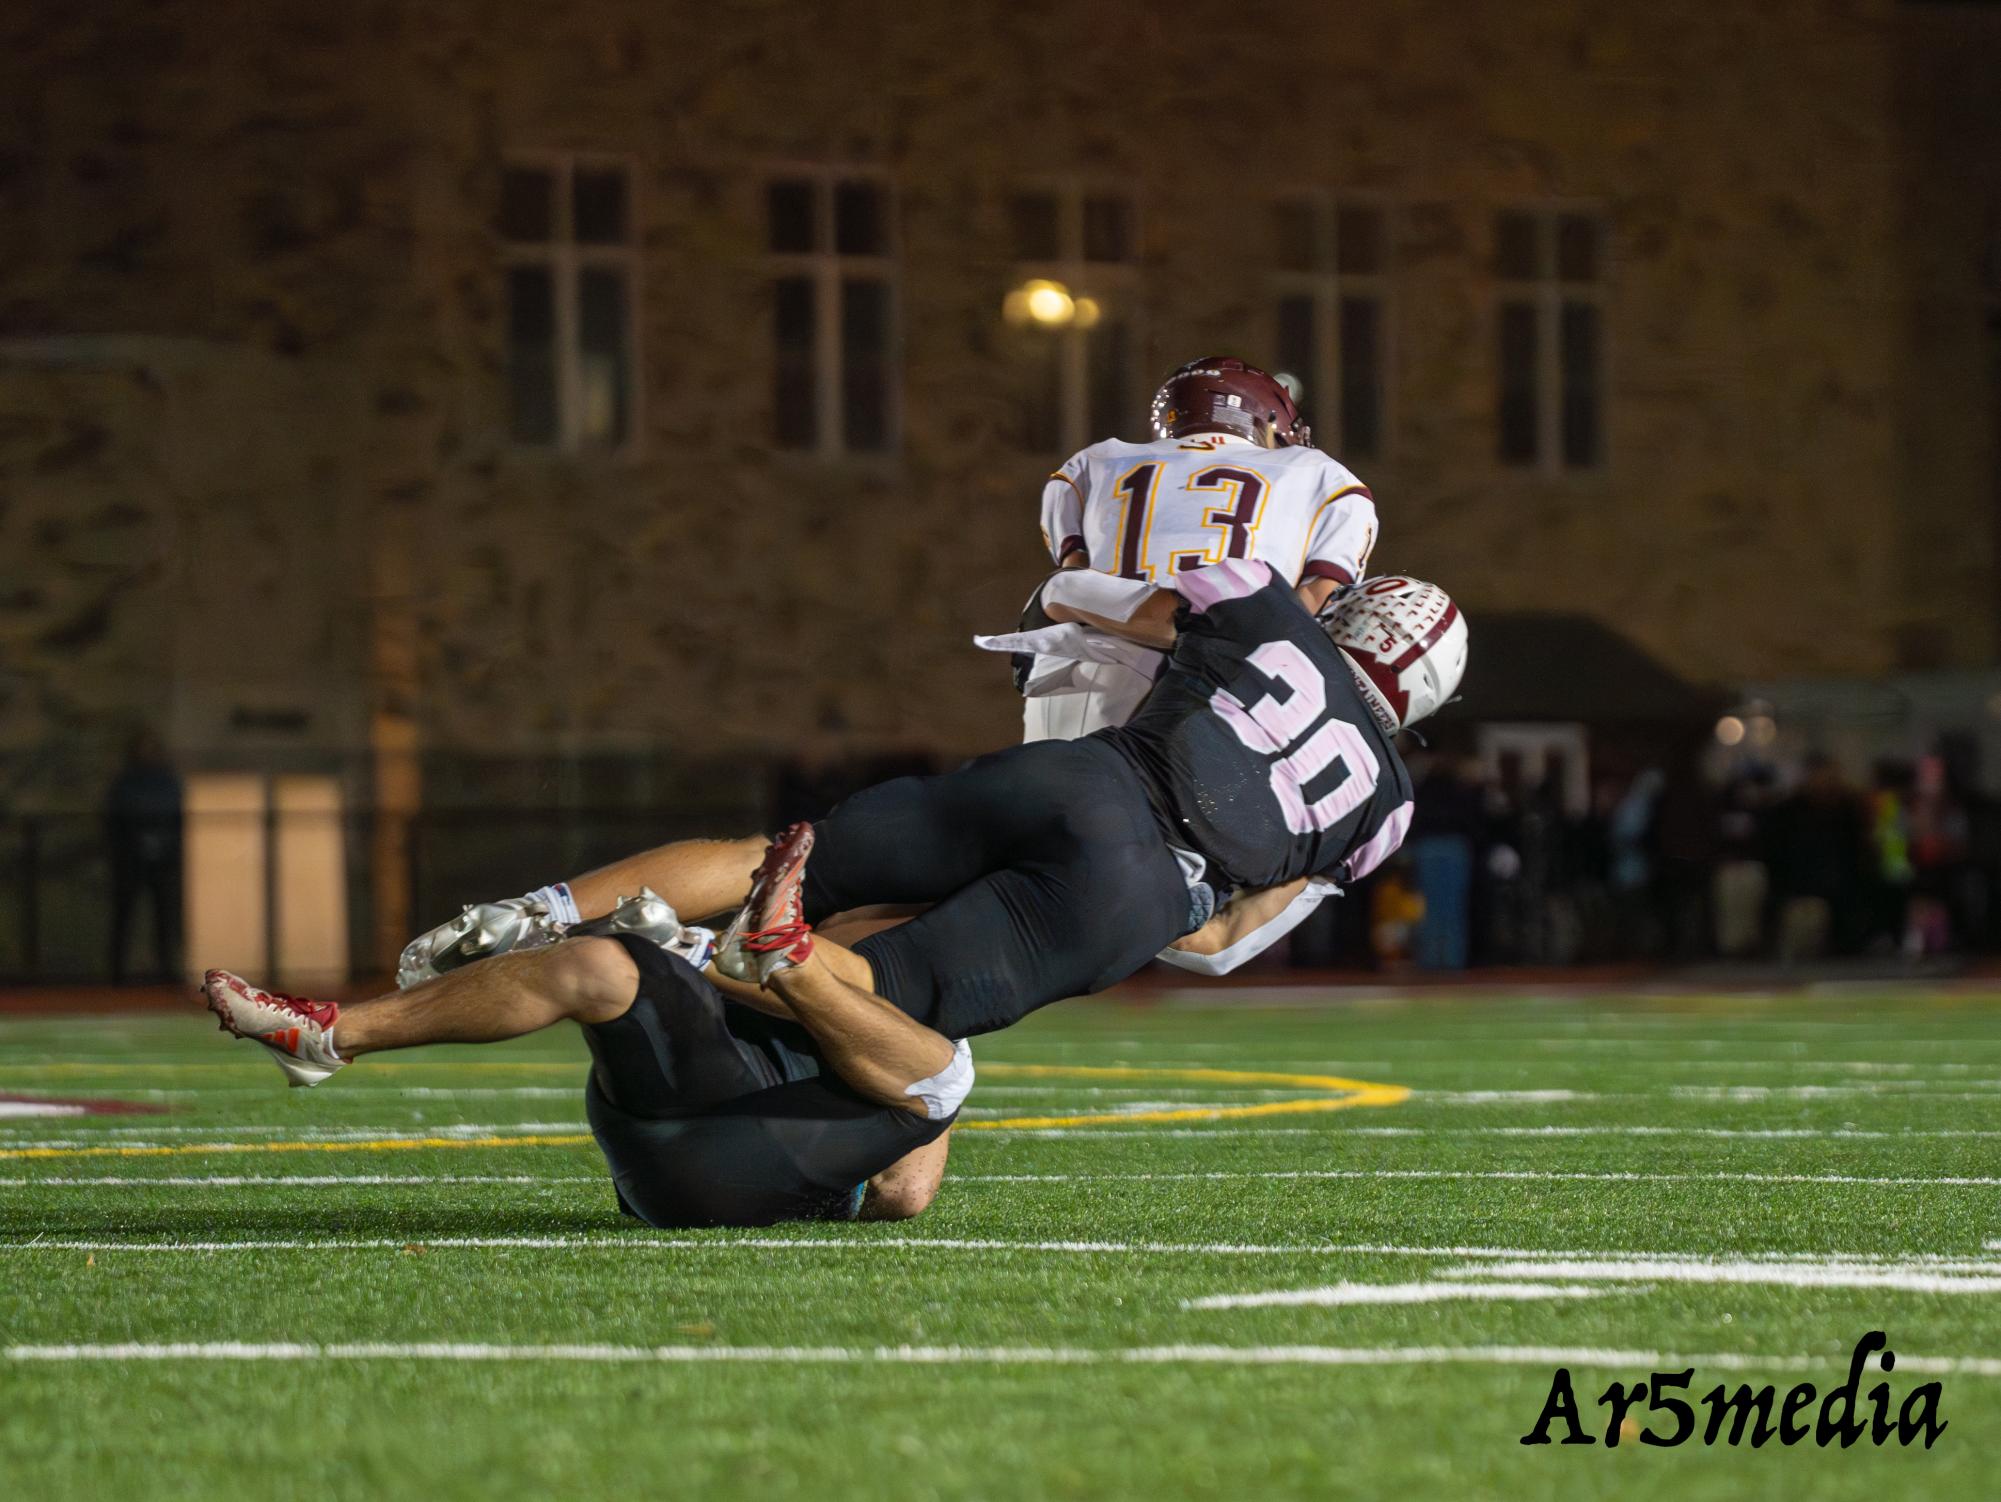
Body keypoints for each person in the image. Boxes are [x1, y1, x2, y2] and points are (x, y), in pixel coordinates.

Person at [200, 894, 958, 1229]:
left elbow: (906, 1191)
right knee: (596, 964)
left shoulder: (918, 1009)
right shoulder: (791, 956)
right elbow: (905, 1192)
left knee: (939, 1067)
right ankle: (325, 1037)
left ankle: (674, 942)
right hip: (686, 1143)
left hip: (763, 1164)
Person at [1020, 356, 1379, 742]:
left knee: (1048, 797)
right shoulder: (1321, 472)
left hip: (1081, 668)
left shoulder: (1097, 459)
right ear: (1266, 420)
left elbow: (1074, 572)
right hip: (1215, 681)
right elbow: (1309, 606)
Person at [106, 729, 183, 983]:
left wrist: (167, 845)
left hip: (163, 860)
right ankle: (118, 973)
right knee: (125, 916)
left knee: (164, 917)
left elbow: (175, 816)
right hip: (131, 859)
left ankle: (166, 970)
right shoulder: (126, 782)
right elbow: (117, 817)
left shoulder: (167, 782)